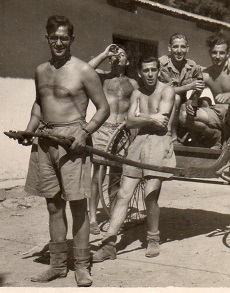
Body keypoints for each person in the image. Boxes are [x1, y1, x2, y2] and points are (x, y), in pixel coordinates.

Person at [21, 15, 110, 286]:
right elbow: (40, 103)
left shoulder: (84, 70)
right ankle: (58, 265)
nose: (59, 42)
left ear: (71, 39)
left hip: (73, 142)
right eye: (54, 38)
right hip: (45, 140)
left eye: (64, 38)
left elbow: (104, 108)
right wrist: (29, 129)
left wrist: (85, 133)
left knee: (78, 206)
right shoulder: (40, 70)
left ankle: (82, 267)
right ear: (46, 39)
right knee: (53, 205)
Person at [92, 56, 175, 262]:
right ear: (140, 72)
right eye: (146, 70)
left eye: (153, 70)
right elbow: (129, 123)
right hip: (138, 143)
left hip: (159, 143)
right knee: (123, 194)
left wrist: (143, 118)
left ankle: (153, 238)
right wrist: (150, 117)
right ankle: (109, 244)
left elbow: (162, 122)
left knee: (150, 194)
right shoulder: (137, 92)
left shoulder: (167, 91)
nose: (150, 74)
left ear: (158, 71)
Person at [87, 44, 139, 235]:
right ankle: (92, 217)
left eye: (121, 54)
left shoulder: (133, 84)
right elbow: (84, 70)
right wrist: (104, 53)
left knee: (117, 175)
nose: (117, 57)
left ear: (128, 61)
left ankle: (114, 215)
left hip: (122, 133)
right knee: (97, 175)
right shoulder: (102, 76)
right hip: (102, 130)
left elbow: (140, 104)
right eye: (114, 55)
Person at [179, 33, 230, 149]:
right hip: (216, 112)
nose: (218, 56)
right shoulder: (205, 74)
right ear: (210, 53)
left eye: (222, 53)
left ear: (227, 54)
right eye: (214, 52)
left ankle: (227, 136)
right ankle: (215, 135)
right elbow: (195, 98)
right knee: (184, 115)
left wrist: (229, 94)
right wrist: (190, 104)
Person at [158, 33, 205, 143]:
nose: (179, 51)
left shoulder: (192, 65)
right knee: (176, 97)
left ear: (187, 49)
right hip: (161, 102)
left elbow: (201, 84)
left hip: (181, 104)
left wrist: (192, 99)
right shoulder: (161, 63)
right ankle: (172, 135)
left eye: (183, 47)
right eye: (175, 47)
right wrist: (189, 86)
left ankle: (196, 139)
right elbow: (162, 91)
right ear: (169, 48)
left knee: (204, 103)